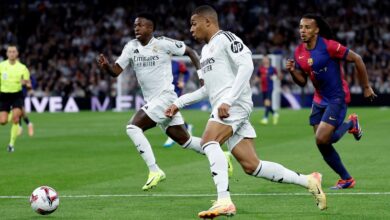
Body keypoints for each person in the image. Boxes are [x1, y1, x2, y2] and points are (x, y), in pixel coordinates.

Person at [165, 6, 326, 219]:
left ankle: (224, 201)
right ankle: (309, 180)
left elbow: (247, 65)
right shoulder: (205, 52)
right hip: (226, 105)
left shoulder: (226, 38)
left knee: (208, 142)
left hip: (234, 105)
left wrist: (229, 100)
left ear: (208, 22)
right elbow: (208, 89)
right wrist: (179, 102)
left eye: (194, 23)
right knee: (252, 166)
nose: (190, 28)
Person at [96, 12, 232, 191]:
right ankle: (222, 155)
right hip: (154, 101)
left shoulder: (162, 43)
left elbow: (190, 51)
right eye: (135, 25)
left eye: (140, 25)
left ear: (150, 28)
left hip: (165, 97)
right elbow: (116, 71)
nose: (136, 28)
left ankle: (154, 171)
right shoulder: (131, 47)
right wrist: (106, 66)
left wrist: (201, 75)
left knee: (133, 127)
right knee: (185, 141)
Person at [286, 14, 376, 190]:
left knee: (322, 138)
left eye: (307, 27)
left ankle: (351, 123)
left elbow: (357, 59)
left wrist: (366, 87)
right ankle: (346, 179)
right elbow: (302, 82)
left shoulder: (330, 46)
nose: (302, 31)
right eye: (300, 27)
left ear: (316, 30)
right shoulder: (299, 52)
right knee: (322, 142)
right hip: (319, 99)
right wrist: (291, 71)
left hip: (337, 97)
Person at [0, 45, 32, 152]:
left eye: (14, 51)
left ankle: (11, 145)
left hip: (17, 95)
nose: (12, 53)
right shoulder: (1, 66)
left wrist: (27, 85)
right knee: (3, 121)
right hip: (4, 95)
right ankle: (11, 114)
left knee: (15, 119)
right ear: (7, 54)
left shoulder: (23, 68)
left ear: (17, 54)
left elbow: (28, 83)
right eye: (10, 51)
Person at [163, 60, 193, 147]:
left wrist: (183, 81)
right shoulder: (160, 62)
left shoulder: (177, 64)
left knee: (171, 111)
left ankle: (172, 136)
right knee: (171, 111)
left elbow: (186, 72)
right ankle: (187, 126)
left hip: (175, 90)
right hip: (164, 91)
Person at [257, 56, 279, 125]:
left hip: (269, 87)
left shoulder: (272, 68)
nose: (265, 60)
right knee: (266, 103)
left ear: (268, 60)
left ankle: (265, 118)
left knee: (267, 102)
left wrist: (274, 77)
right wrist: (258, 81)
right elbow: (258, 76)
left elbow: (276, 76)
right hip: (263, 88)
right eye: (264, 59)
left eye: (266, 59)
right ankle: (274, 113)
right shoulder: (260, 69)